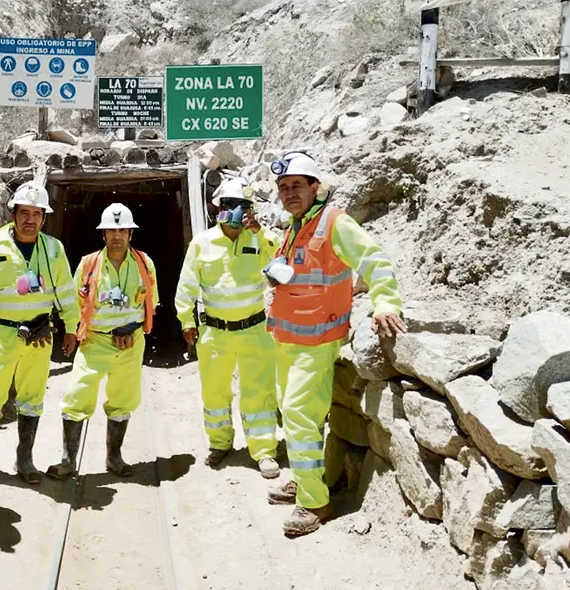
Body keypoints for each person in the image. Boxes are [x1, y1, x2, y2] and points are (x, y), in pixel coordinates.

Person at [263, 151, 406, 537]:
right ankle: (310, 478)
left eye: (297, 186)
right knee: (294, 415)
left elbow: (374, 259)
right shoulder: (296, 226)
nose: (289, 193)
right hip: (288, 341)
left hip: (316, 342)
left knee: (299, 415)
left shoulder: (334, 223)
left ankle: (314, 502)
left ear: (315, 187)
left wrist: (386, 302)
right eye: (283, 188)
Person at [0, 180, 79, 484]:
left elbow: (66, 290)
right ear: (13, 214)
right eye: (24, 212)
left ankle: (24, 460)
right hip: (2, 334)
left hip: (40, 337)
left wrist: (69, 326)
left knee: (32, 397)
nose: (30, 219)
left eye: (36, 213)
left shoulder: (53, 250)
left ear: (44, 218)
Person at [174, 176, 284, 478]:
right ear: (218, 208)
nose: (237, 211)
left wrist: (260, 233)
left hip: (254, 330)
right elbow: (186, 287)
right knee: (215, 393)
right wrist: (187, 320)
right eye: (231, 204)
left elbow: (282, 259)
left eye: (243, 205)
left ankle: (263, 450)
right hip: (215, 332)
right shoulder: (202, 243)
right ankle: (220, 444)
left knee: (259, 393)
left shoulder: (258, 239)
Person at [46, 203, 159, 480]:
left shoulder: (145, 263)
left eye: (122, 230)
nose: (117, 235)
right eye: (111, 230)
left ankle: (114, 456)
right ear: (103, 234)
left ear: (131, 234)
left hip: (130, 345)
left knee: (123, 399)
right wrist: (71, 333)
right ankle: (67, 459)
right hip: (94, 341)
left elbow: (150, 304)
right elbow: (73, 303)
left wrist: (130, 328)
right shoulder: (88, 264)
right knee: (76, 396)